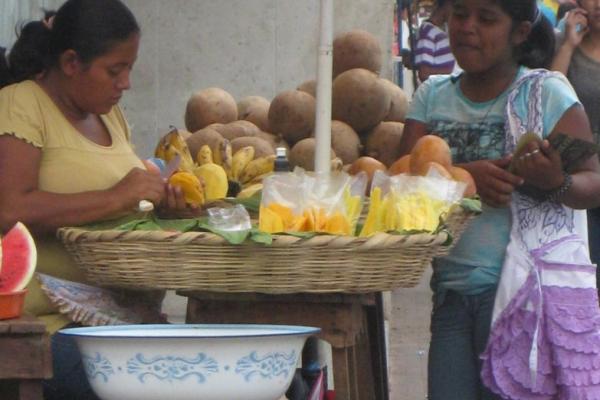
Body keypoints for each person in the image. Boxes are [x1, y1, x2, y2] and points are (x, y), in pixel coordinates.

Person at [398, 0, 600, 399]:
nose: (468, 27)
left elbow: (593, 181)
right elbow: (399, 184)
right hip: (452, 295)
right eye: (459, 15)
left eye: (487, 19)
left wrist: (554, 180)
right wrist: (465, 178)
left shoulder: (545, 93)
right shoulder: (430, 97)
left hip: (524, 300)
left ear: (520, 32)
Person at [0, 0, 192, 398]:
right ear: (71, 62)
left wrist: (162, 206)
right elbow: (10, 209)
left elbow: (125, 206)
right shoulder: (21, 104)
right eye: (114, 70)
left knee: (258, 374)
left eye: (130, 69)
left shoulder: (112, 118)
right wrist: (118, 195)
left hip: (121, 321)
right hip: (45, 327)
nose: (126, 83)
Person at [551, 0, 600, 287]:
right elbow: (550, 90)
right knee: (583, 270)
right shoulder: (563, 42)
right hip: (578, 175)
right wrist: (568, 45)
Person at [413, 0, 457, 82]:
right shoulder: (427, 31)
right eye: (455, 7)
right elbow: (424, 74)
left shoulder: (444, 30)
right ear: (446, 5)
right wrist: (452, 72)